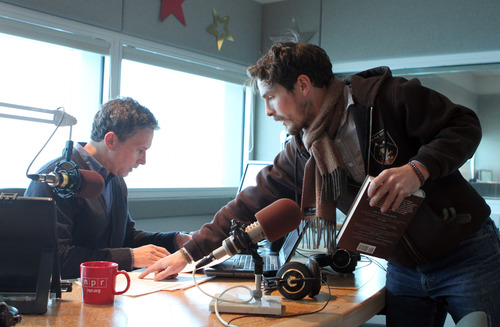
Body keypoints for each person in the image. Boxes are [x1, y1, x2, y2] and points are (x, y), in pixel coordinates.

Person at [139, 43, 500, 326]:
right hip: (403, 267)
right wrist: (188, 254)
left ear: (303, 86)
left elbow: (464, 125)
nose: (268, 111)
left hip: (465, 253)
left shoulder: (389, 98)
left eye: (270, 97)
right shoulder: (303, 149)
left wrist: (418, 168)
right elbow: (249, 203)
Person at [25, 97, 191, 279]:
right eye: (139, 150)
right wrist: (130, 257)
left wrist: (174, 240)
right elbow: (55, 257)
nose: (143, 161)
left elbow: (125, 238)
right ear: (111, 141)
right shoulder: (58, 179)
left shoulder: (116, 180)